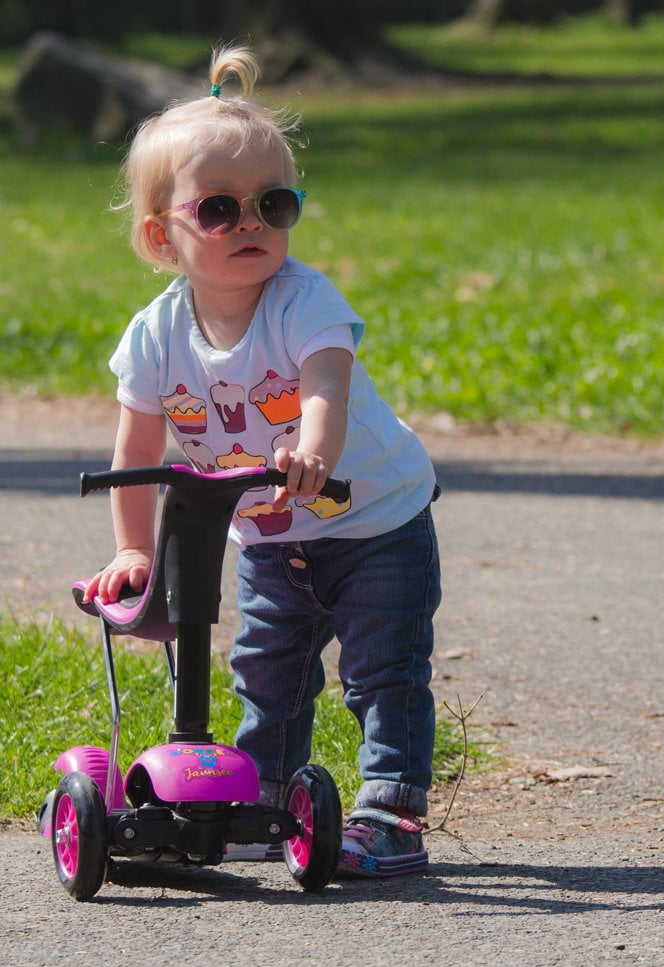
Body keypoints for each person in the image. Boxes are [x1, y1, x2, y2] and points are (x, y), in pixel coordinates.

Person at [83, 44, 441, 878]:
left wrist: (313, 452)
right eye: (217, 209)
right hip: (272, 536)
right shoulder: (155, 336)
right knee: (266, 674)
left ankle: (392, 814)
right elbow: (138, 451)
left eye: (274, 203)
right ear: (160, 236)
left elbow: (326, 384)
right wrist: (136, 549)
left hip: (374, 518)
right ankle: (265, 805)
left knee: (382, 670)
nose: (251, 222)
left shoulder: (303, 299)